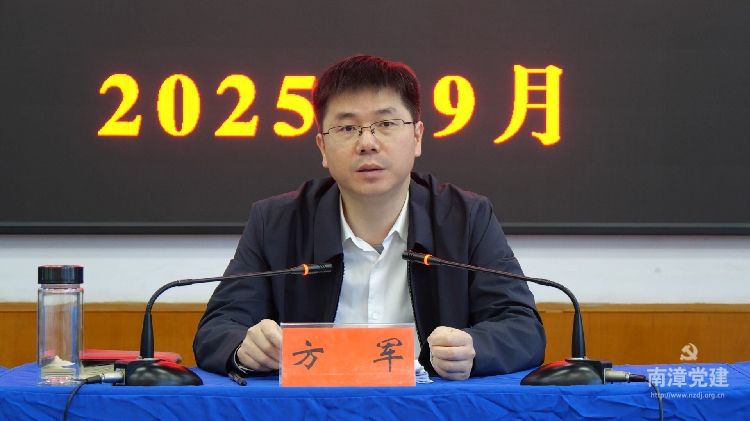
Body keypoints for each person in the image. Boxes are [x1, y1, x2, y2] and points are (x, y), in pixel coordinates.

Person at [193, 55, 545, 380]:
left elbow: (522, 328)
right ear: (322, 147)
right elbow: (218, 328)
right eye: (347, 128)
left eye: (386, 123)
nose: (367, 143)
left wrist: (473, 348)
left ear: (417, 137)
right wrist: (244, 350)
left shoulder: (466, 217)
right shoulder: (276, 222)